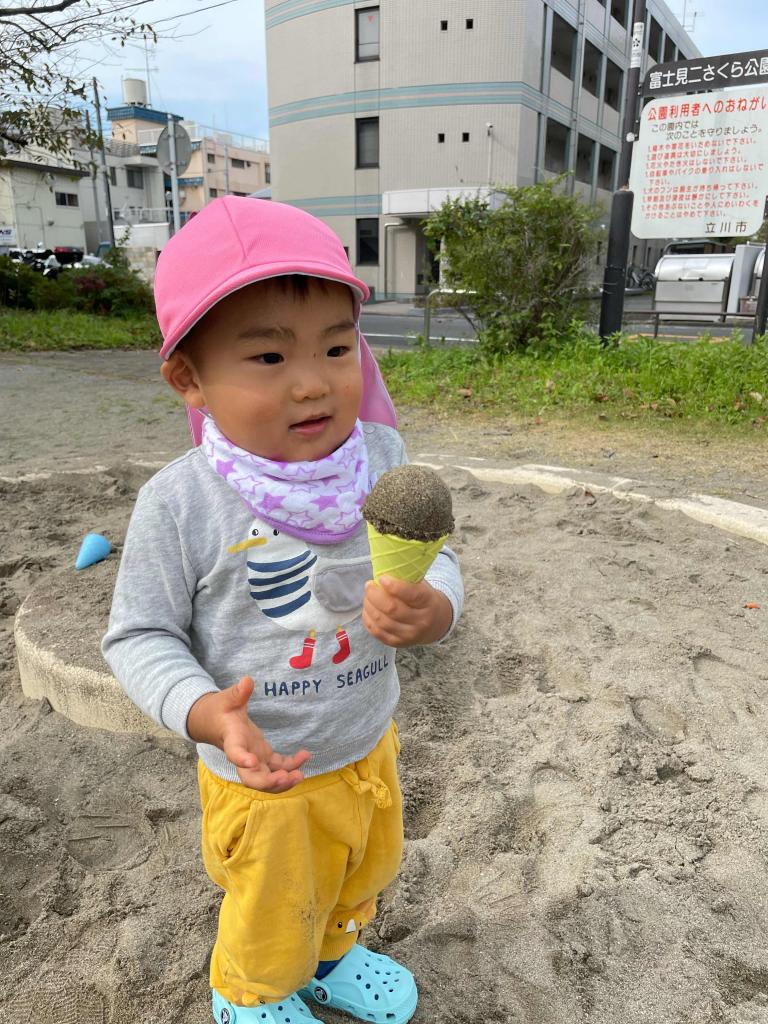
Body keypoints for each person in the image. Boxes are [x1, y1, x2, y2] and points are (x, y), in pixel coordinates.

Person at [102, 197, 464, 1024]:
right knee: (271, 908)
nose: (312, 381)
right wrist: (203, 712)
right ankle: (249, 992)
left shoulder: (380, 456)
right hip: (263, 774)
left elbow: (434, 552)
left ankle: (333, 957)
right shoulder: (181, 504)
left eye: (338, 348)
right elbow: (139, 634)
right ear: (188, 377)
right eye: (268, 356)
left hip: (365, 741)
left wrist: (434, 606)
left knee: (358, 873)